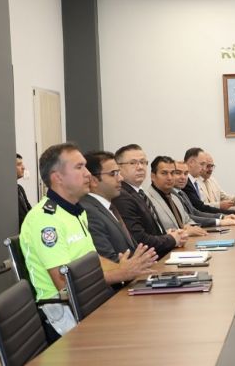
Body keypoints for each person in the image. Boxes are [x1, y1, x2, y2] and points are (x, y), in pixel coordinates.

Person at [20, 143, 157, 337]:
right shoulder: (45, 220)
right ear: (58, 177)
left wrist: (126, 268)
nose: (87, 174)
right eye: (79, 167)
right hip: (63, 314)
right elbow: (64, 283)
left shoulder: (75, 212)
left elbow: (93, 259)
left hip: (90, 299)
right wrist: (120, 274)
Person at [112, 144, 187, 258]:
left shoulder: (139, 193)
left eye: (143, 162)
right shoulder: (122, 196)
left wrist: (167, 234)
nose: (140, 167)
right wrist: (172, 239)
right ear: (118, 167)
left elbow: (150, 231)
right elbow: (139, 240)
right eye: (133, 163)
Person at [80, 151, 138, 263]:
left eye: (119, 172)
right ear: (93, 180)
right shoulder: (89, 211)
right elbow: (106, 259)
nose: (121, 178)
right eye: (113, 174)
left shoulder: (109, 207)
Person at [145, 156, 209, 235]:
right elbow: (155, 233)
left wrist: (191, 227)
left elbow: (187, 220)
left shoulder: (175, 197)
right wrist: (185, 232)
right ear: (153, 176)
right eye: (164, 173)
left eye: (172, 173)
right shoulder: (146, 199)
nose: (169, 178)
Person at [171, 160, 235, 228]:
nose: (183, 177)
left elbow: (195, 212)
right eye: (178, 173)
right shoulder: (171, 195)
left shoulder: (181, 193)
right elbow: (186, 218)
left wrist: (222, 217)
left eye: (186, 174)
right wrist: (219, 221)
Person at [182, 147, 235, 216]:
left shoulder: (212, 180)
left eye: (212, 166)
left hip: (210, 217)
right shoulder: (189, 182)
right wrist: (232, 213)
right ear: (191, 163)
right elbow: (200, 207)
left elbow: (224, 197)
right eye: (204, 165)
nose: (207, 169)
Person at [16, 153, 32, 229]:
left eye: (22, 164)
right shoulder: (5, 191)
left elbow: (29, 210)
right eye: (19, 164)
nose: (23, 167)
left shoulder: (20, 188)